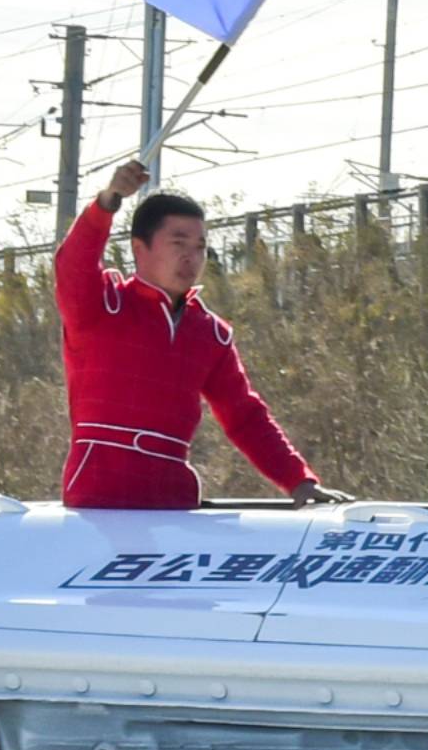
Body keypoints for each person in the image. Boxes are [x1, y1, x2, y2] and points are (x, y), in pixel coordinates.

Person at [53, 158, 345, 510]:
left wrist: (299, 481)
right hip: (98, 497)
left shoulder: (210, 333)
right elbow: (72, 263)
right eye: (178, 243)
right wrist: (108, 201)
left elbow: (245, 417)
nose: (191, 257)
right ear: (138, 248)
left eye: (200, 247)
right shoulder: (102, 305)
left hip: (175, 502)